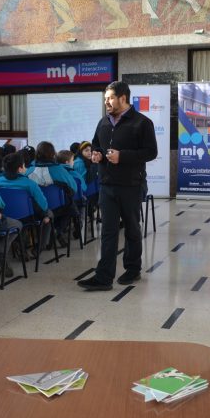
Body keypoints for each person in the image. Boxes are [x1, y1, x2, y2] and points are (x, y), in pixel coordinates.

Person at [78, 81, 157, 291]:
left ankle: (132, 269)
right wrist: (96, 154)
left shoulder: (142, 123)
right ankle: (104, 277)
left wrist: (123, 157)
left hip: (131, 184)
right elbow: (96, 143)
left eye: (110, 98)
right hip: (107, 184)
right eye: (105, 99)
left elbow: (151, 152)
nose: (107, 102)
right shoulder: (103, 122)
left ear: (123, 98)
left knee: (132, 228)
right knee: (108, 231)